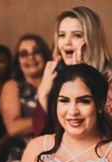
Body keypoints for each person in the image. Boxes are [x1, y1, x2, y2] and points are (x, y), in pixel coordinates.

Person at [33, 6, 112, 135]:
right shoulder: (55, 77)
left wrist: (83, 78)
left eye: (77, 35)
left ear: (92, 40)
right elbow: (42, 136)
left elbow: (107, 132)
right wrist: (42, 94)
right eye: (62, 35)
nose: (67, 42)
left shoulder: (109, 78)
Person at [0, 34, 51, 162]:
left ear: (45, 55)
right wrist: (51, 119)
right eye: (23, 54)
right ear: (18, 60)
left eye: (36, 52)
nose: (30, 58)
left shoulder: (58, 84)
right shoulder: (12, 86)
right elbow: (13, 127)